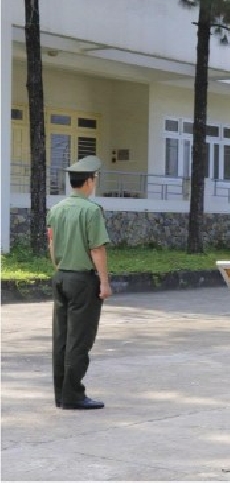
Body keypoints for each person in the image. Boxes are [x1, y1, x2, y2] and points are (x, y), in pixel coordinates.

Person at [47, 155, 111, 410]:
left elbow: (51, 244)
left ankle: (61, 395)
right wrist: (104, 283)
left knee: (61, 337)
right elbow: (97, 249)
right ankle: (73, 395)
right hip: (83, 280)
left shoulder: (57, 209)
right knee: (79, 339)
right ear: (88, 181)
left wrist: (58, 268)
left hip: (61, 276)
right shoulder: (91, 210)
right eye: (94, 178)